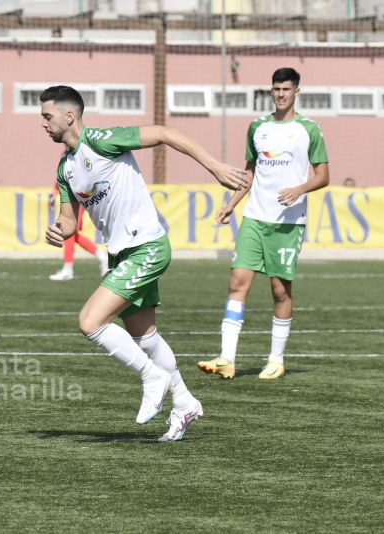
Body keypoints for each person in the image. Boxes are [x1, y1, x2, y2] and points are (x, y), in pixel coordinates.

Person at [40, 85, 248, 441]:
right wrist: (59, 231)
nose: (43, 123)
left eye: (47, 116)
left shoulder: (103, 140)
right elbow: (70, 221)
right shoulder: (65, 168)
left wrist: (214, 166)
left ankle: (152, 377)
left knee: (90, 321)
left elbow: (165, 133)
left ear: (69, 115)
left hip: (147, 246)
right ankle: (184, 403)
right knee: (144, 335)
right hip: (122, 252)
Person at [198, 67, 329, 381]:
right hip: (255, 218)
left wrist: (299, 189)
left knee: (279, 290)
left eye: (286, 89)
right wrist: (230, 205)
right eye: (276, 89)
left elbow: (323, 176)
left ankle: (276, 359)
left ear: (296, 91)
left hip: (288, 222)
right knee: (236, 283)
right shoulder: (257, 127)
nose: (280, 94)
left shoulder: (309, 129)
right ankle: (227, 358)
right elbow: (249, 174)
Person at [48, 182, 109, 281]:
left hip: (78, 199)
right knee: (73, 235)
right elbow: (59, 182)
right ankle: (102, 257)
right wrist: (53, 194)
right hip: (74, 200)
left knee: (68, 230)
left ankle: (68, 269)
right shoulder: (64, 167)